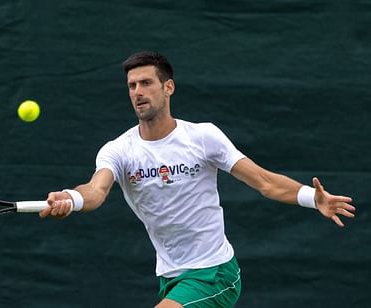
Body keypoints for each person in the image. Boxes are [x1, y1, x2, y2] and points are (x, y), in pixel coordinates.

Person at [39, 51, 355, 308]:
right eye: (132, 86)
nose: (138, 92)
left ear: (168, 88)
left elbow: (264, 181)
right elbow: (96, 190)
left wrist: (311, 198)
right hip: (169, 277)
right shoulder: (119, 150)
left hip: (215, 273)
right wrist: (72, 198)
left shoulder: (203, 137)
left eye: (146, 83)